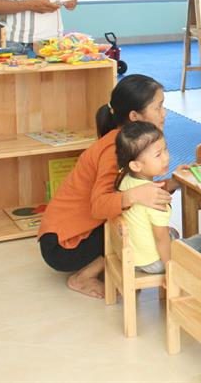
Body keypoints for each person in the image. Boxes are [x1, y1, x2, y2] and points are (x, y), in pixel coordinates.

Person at [38, 75, 172, 299]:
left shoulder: (126, 142)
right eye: (158, 107)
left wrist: (172, 183)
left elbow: (138, 186)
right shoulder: (113, 150)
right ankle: (82, 278)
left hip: (74, 234)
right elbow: (100, 206)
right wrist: (133, 196)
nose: (164, 113)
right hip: (62, 246)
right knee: (136, 225)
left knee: (141, 219)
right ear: (134, 116)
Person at [115, 121, 201, 275]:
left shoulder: (125, 180)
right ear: (136, 165)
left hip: (130, 255)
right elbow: (161, 239)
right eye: (158, 155)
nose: (166, 157)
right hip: (153, 262)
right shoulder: (156, 199)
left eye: (165, 149)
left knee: (172, 233)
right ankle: (188, 282)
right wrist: (170, 269)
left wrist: (174, 179)